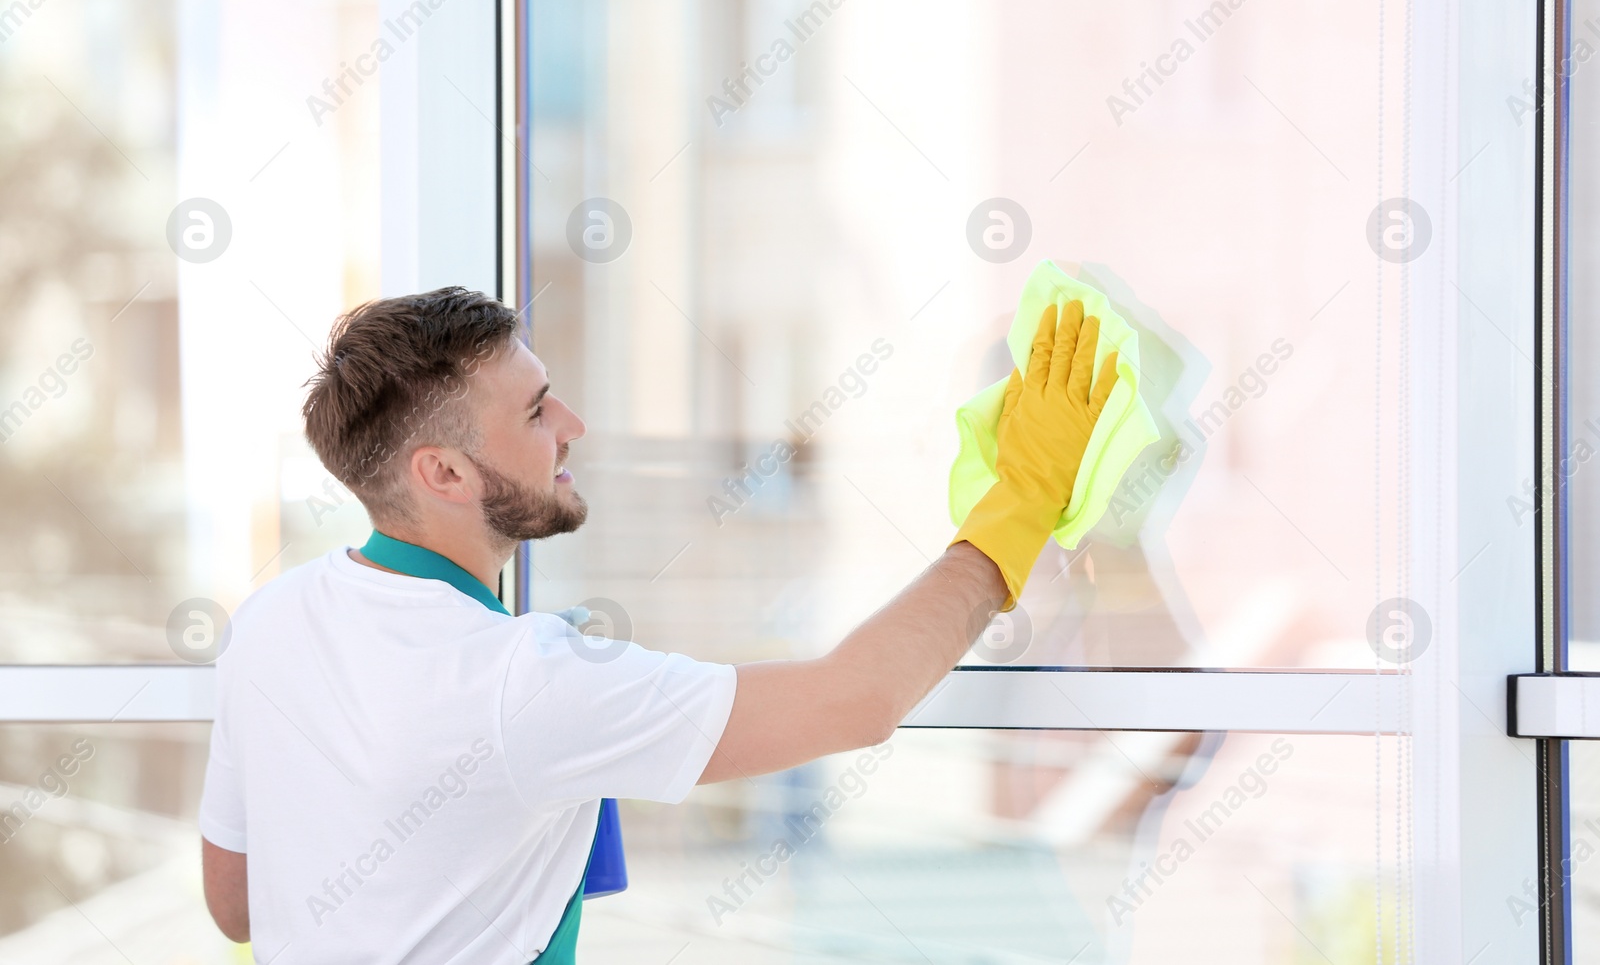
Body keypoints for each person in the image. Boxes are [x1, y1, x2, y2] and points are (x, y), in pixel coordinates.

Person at [199, 286, 1117, 962]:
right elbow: (857, 700)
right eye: (534, 409)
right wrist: (1021, 505)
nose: (573, 423)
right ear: (444, 474)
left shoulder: (271, 623)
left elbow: (237, 901)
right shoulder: (521, 679)